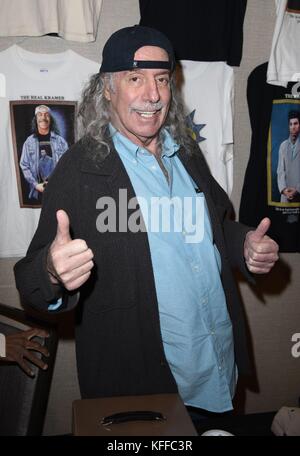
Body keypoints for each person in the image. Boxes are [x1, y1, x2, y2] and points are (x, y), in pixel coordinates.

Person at [14, 26, 279, 417]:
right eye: (134, 79)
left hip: (215, 369)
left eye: (161, 80)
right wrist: (52, 272)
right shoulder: (81, 169)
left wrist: (243, 245)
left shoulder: (186, 152)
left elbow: (215, 226)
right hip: (144, 390)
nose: (152, 95)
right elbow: (30, 282)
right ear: (107, 89)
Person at [20, 105, 68, 200]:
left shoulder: (61, 141)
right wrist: (36, 185)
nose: (43, 118)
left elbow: (68, 164)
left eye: (46, 115)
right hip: (36, 193)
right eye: (40, 114)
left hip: (57, 191)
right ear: (36, 118)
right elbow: (24, 165)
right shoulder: (29, 142)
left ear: (50, 119)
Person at [277, 110, 300, 203]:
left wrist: (297, 189)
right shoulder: (283, 146)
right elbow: (280, 171)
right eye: (290, 124)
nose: (293, 127)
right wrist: (284, 190)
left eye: (295, 123)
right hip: (285, 197)